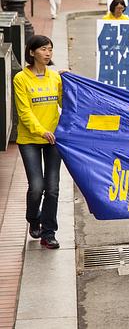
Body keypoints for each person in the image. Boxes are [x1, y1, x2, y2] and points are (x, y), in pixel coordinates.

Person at [14, 35, 63, 249]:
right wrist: (41, 131)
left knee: (52, 188)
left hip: (53, 139)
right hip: (30, 140)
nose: (48, 53)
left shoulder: (55, 77)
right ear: (32, 52)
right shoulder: (21, 79)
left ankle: (48, 233)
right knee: (36, 187)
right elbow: (24, 112)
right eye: (43, 49)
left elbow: (65, 102)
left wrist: (70, 83)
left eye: (50, 49)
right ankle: (34, 218)